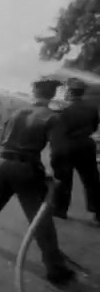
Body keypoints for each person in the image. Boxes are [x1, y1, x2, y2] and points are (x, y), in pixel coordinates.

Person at [0, 78, 76, 286]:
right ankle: (55, 268)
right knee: (39, 216)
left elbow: (0, 140)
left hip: (2, 163)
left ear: (34, 93)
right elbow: (60, 152)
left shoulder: (17, 113)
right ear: (52, 95)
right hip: (25, 168)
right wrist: (59, 176)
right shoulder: (53, 117)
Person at [52, 78, 100, 223]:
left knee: (64, 179)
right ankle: (98, 212)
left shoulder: (63, 110)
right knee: (91, 180)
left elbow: (58, 131)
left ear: (69, 92)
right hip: (86, 145)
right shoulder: (91, 109)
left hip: (67, 146)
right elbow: (93, 127)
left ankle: (60, 210)